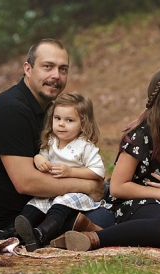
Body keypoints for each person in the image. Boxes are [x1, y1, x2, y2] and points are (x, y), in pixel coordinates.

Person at [0, 39, 114, 241]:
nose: (56, 75)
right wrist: (87, 186)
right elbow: (26, 183)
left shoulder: (49, 111)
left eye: (63, 69)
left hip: (49, 201)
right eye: (48, 67)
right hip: (20, 219)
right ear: (27, 69)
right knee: (112, 216)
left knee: (117, 192)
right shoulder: (10, 111)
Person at [62, 65, 160, 254]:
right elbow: (117, 187)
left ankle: (118, 235)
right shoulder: (142, 134)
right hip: (138, 205)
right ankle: (94, 238)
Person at [13, 92, 107, 251]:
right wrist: (38, 158)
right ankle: (16, 233)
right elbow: (43, 155)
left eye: (69, 120)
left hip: (77, 193)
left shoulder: (84, 146)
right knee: (36, 203)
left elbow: (98, 172)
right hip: (54, 190)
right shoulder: (52, 140)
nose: (61, 124)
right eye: (57, 118)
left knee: (60, 206)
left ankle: (41, 234)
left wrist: (71, 172)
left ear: (83, 124)